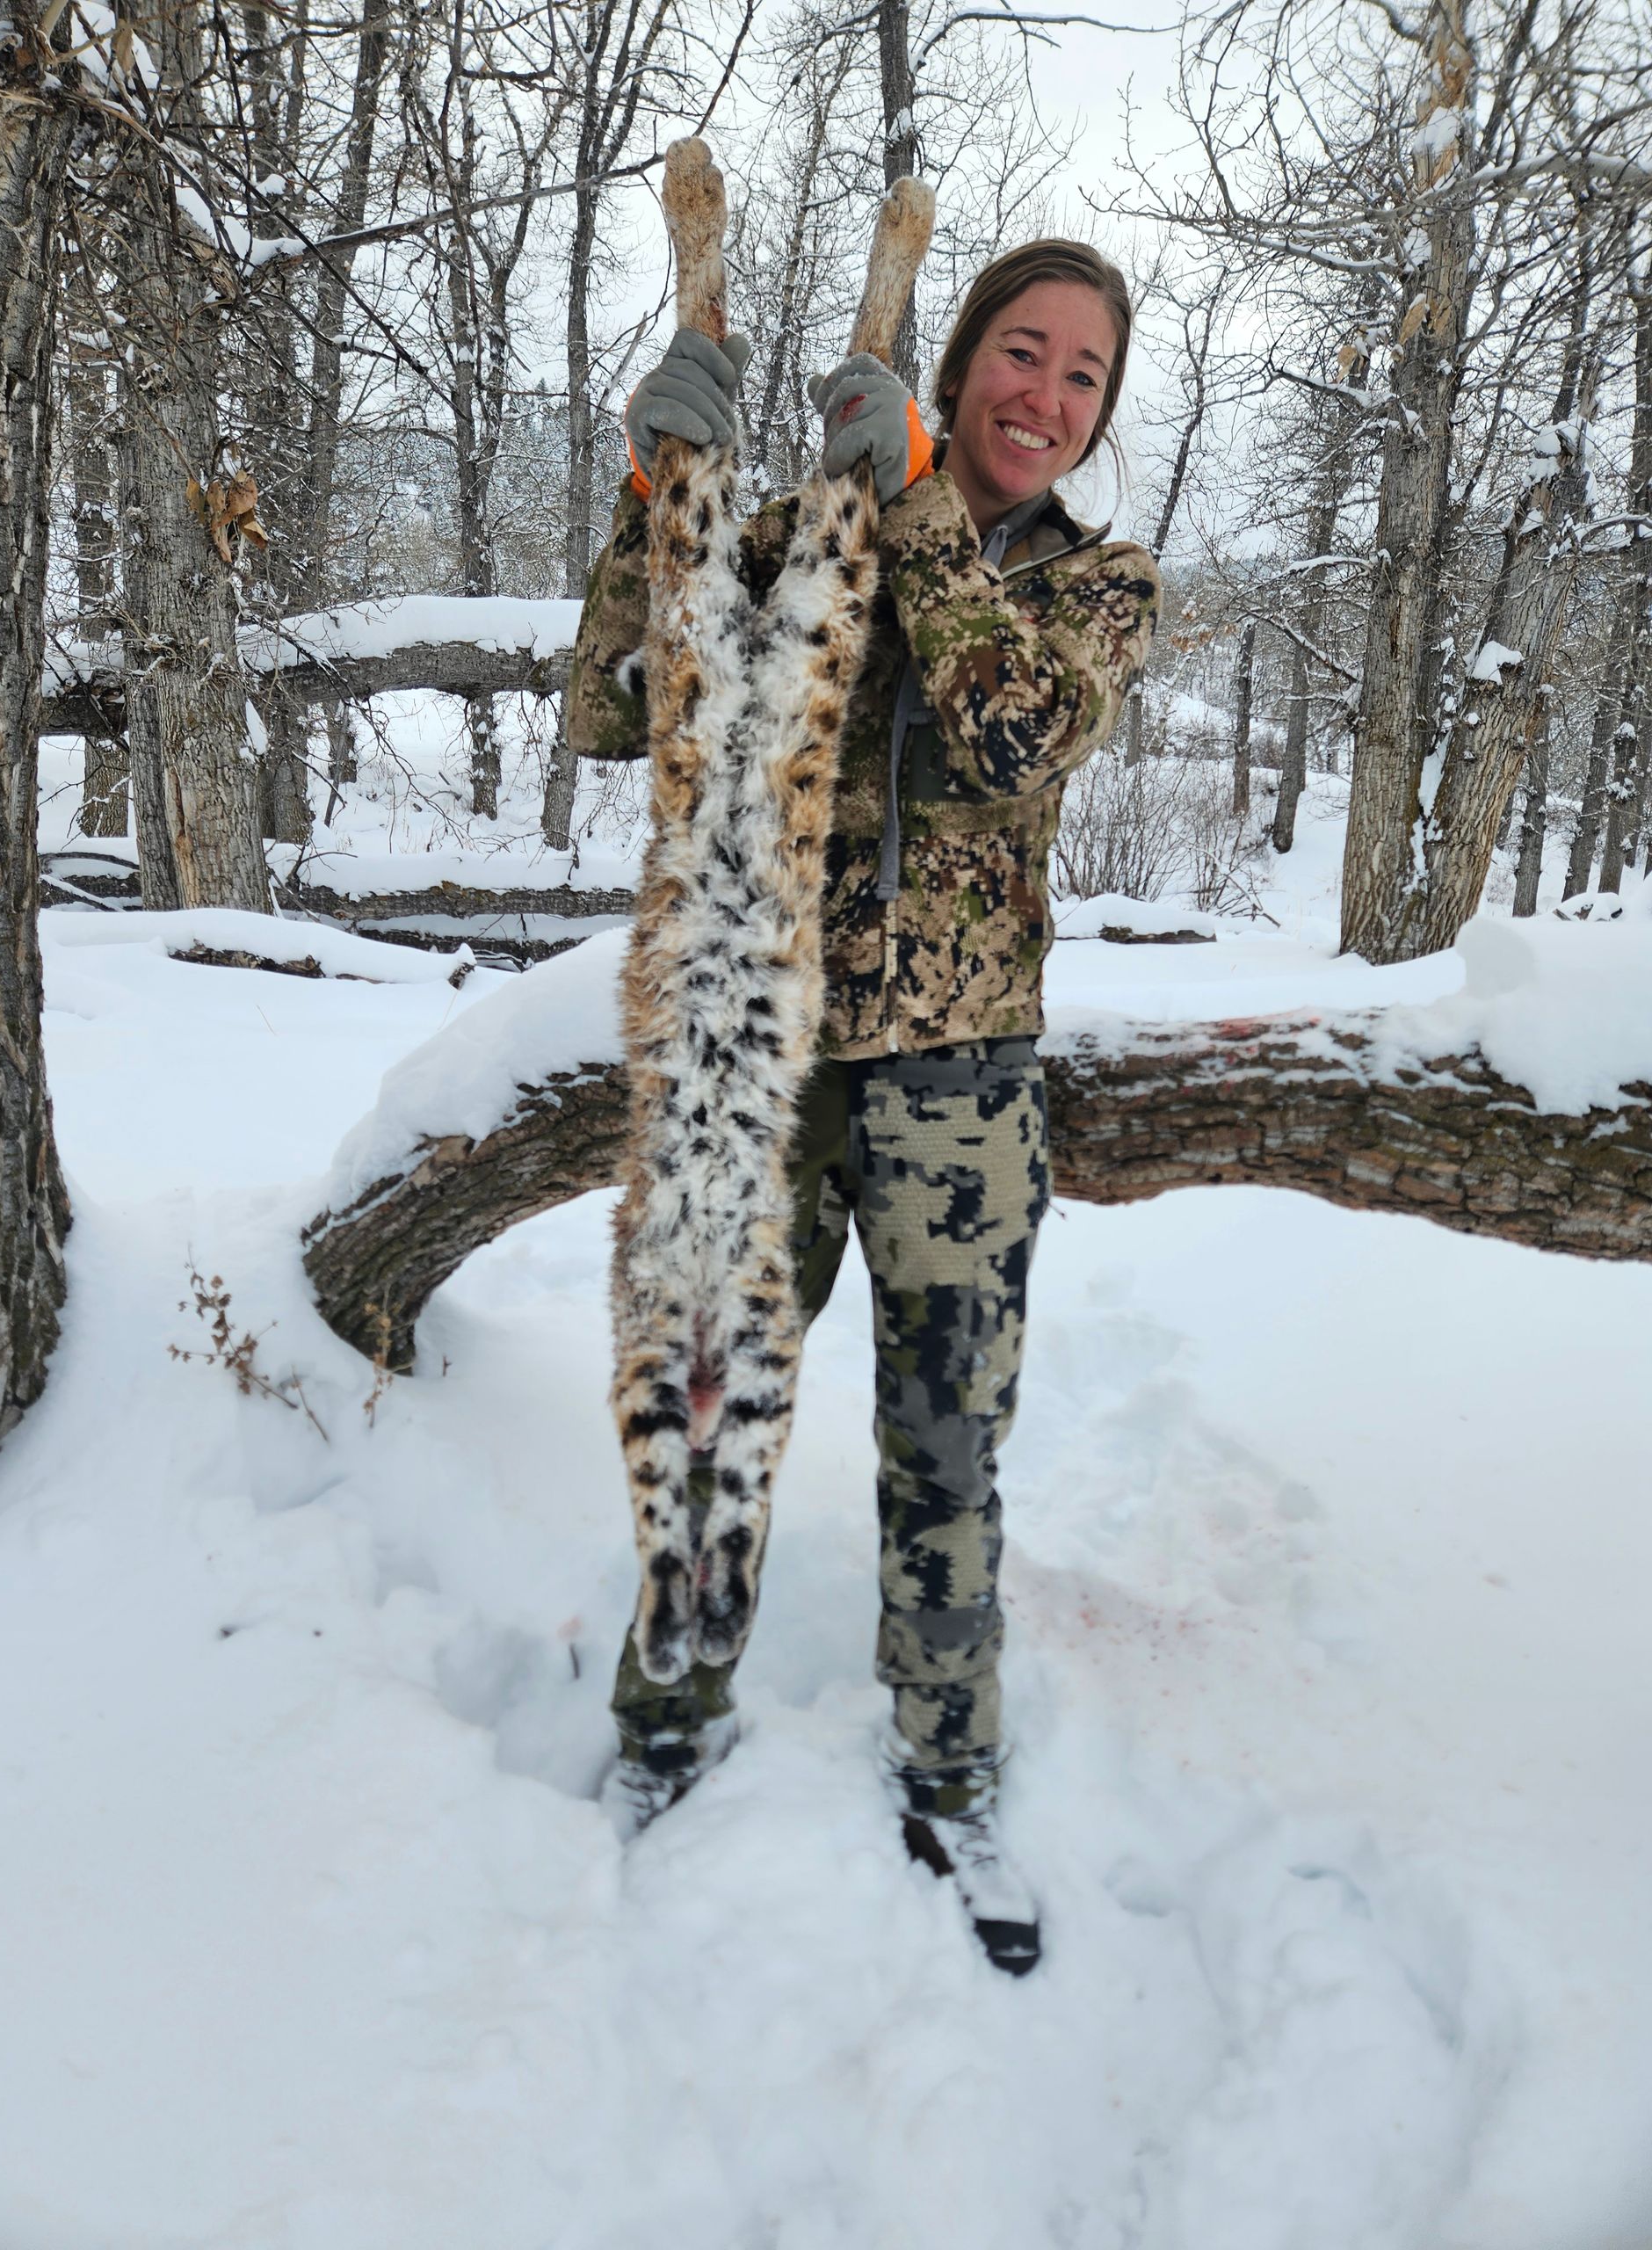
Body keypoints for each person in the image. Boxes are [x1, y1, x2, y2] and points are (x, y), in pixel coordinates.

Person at [566, 239, 1161, 1975]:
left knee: (948, 1442)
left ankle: (953, 1771)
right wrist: (651, 490)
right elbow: (617, 707)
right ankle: (669, 1725)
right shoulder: (806, 532)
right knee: (702, 1405)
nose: (1044, 398)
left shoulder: (1098, 588)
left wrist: (899, 505)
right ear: (963, 354)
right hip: (763, 1055)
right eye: (1022, 352)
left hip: (959, 1086)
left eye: (1084, 377)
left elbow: (995, 738)